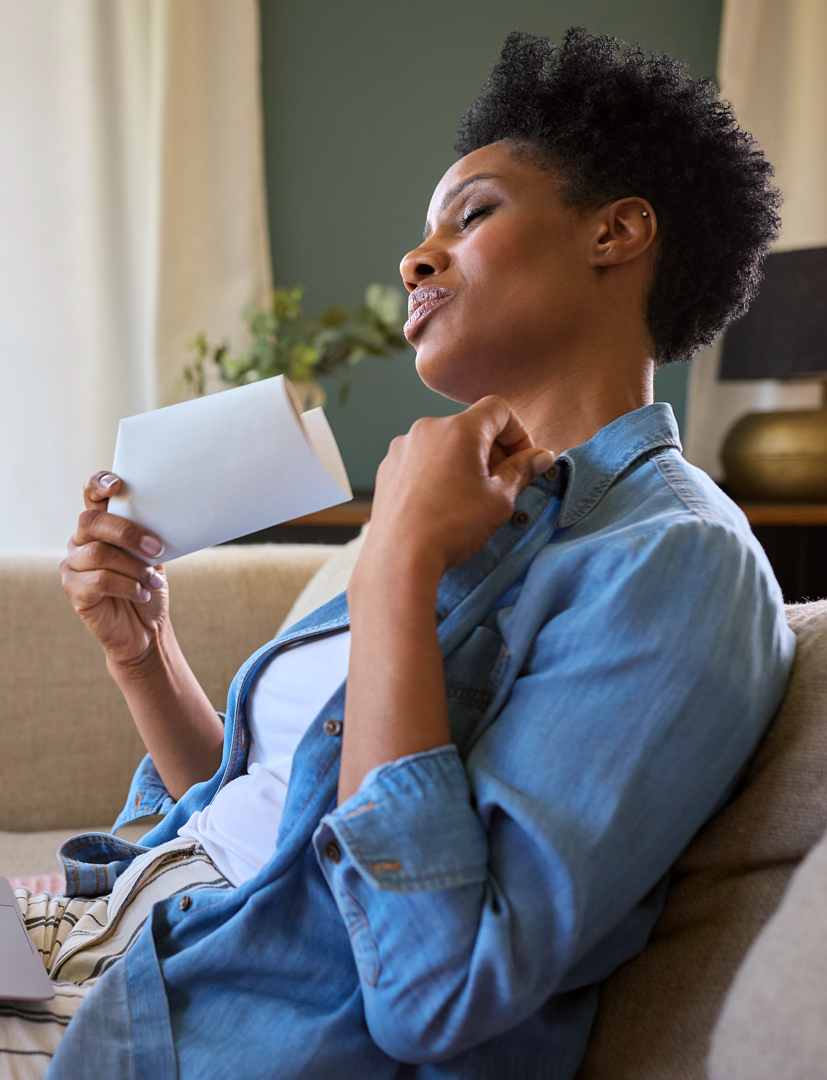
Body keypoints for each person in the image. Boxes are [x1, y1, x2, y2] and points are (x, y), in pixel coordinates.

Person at [3, 27, 793, 1080]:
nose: (416, 259)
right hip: (105, 939)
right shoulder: (468, 509)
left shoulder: (674, 563)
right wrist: (142, 653)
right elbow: (277, 829)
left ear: (615, 232)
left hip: (165, 1029)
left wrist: (397, 560)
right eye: (424, 232)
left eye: (472, 216)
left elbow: (433, 985)